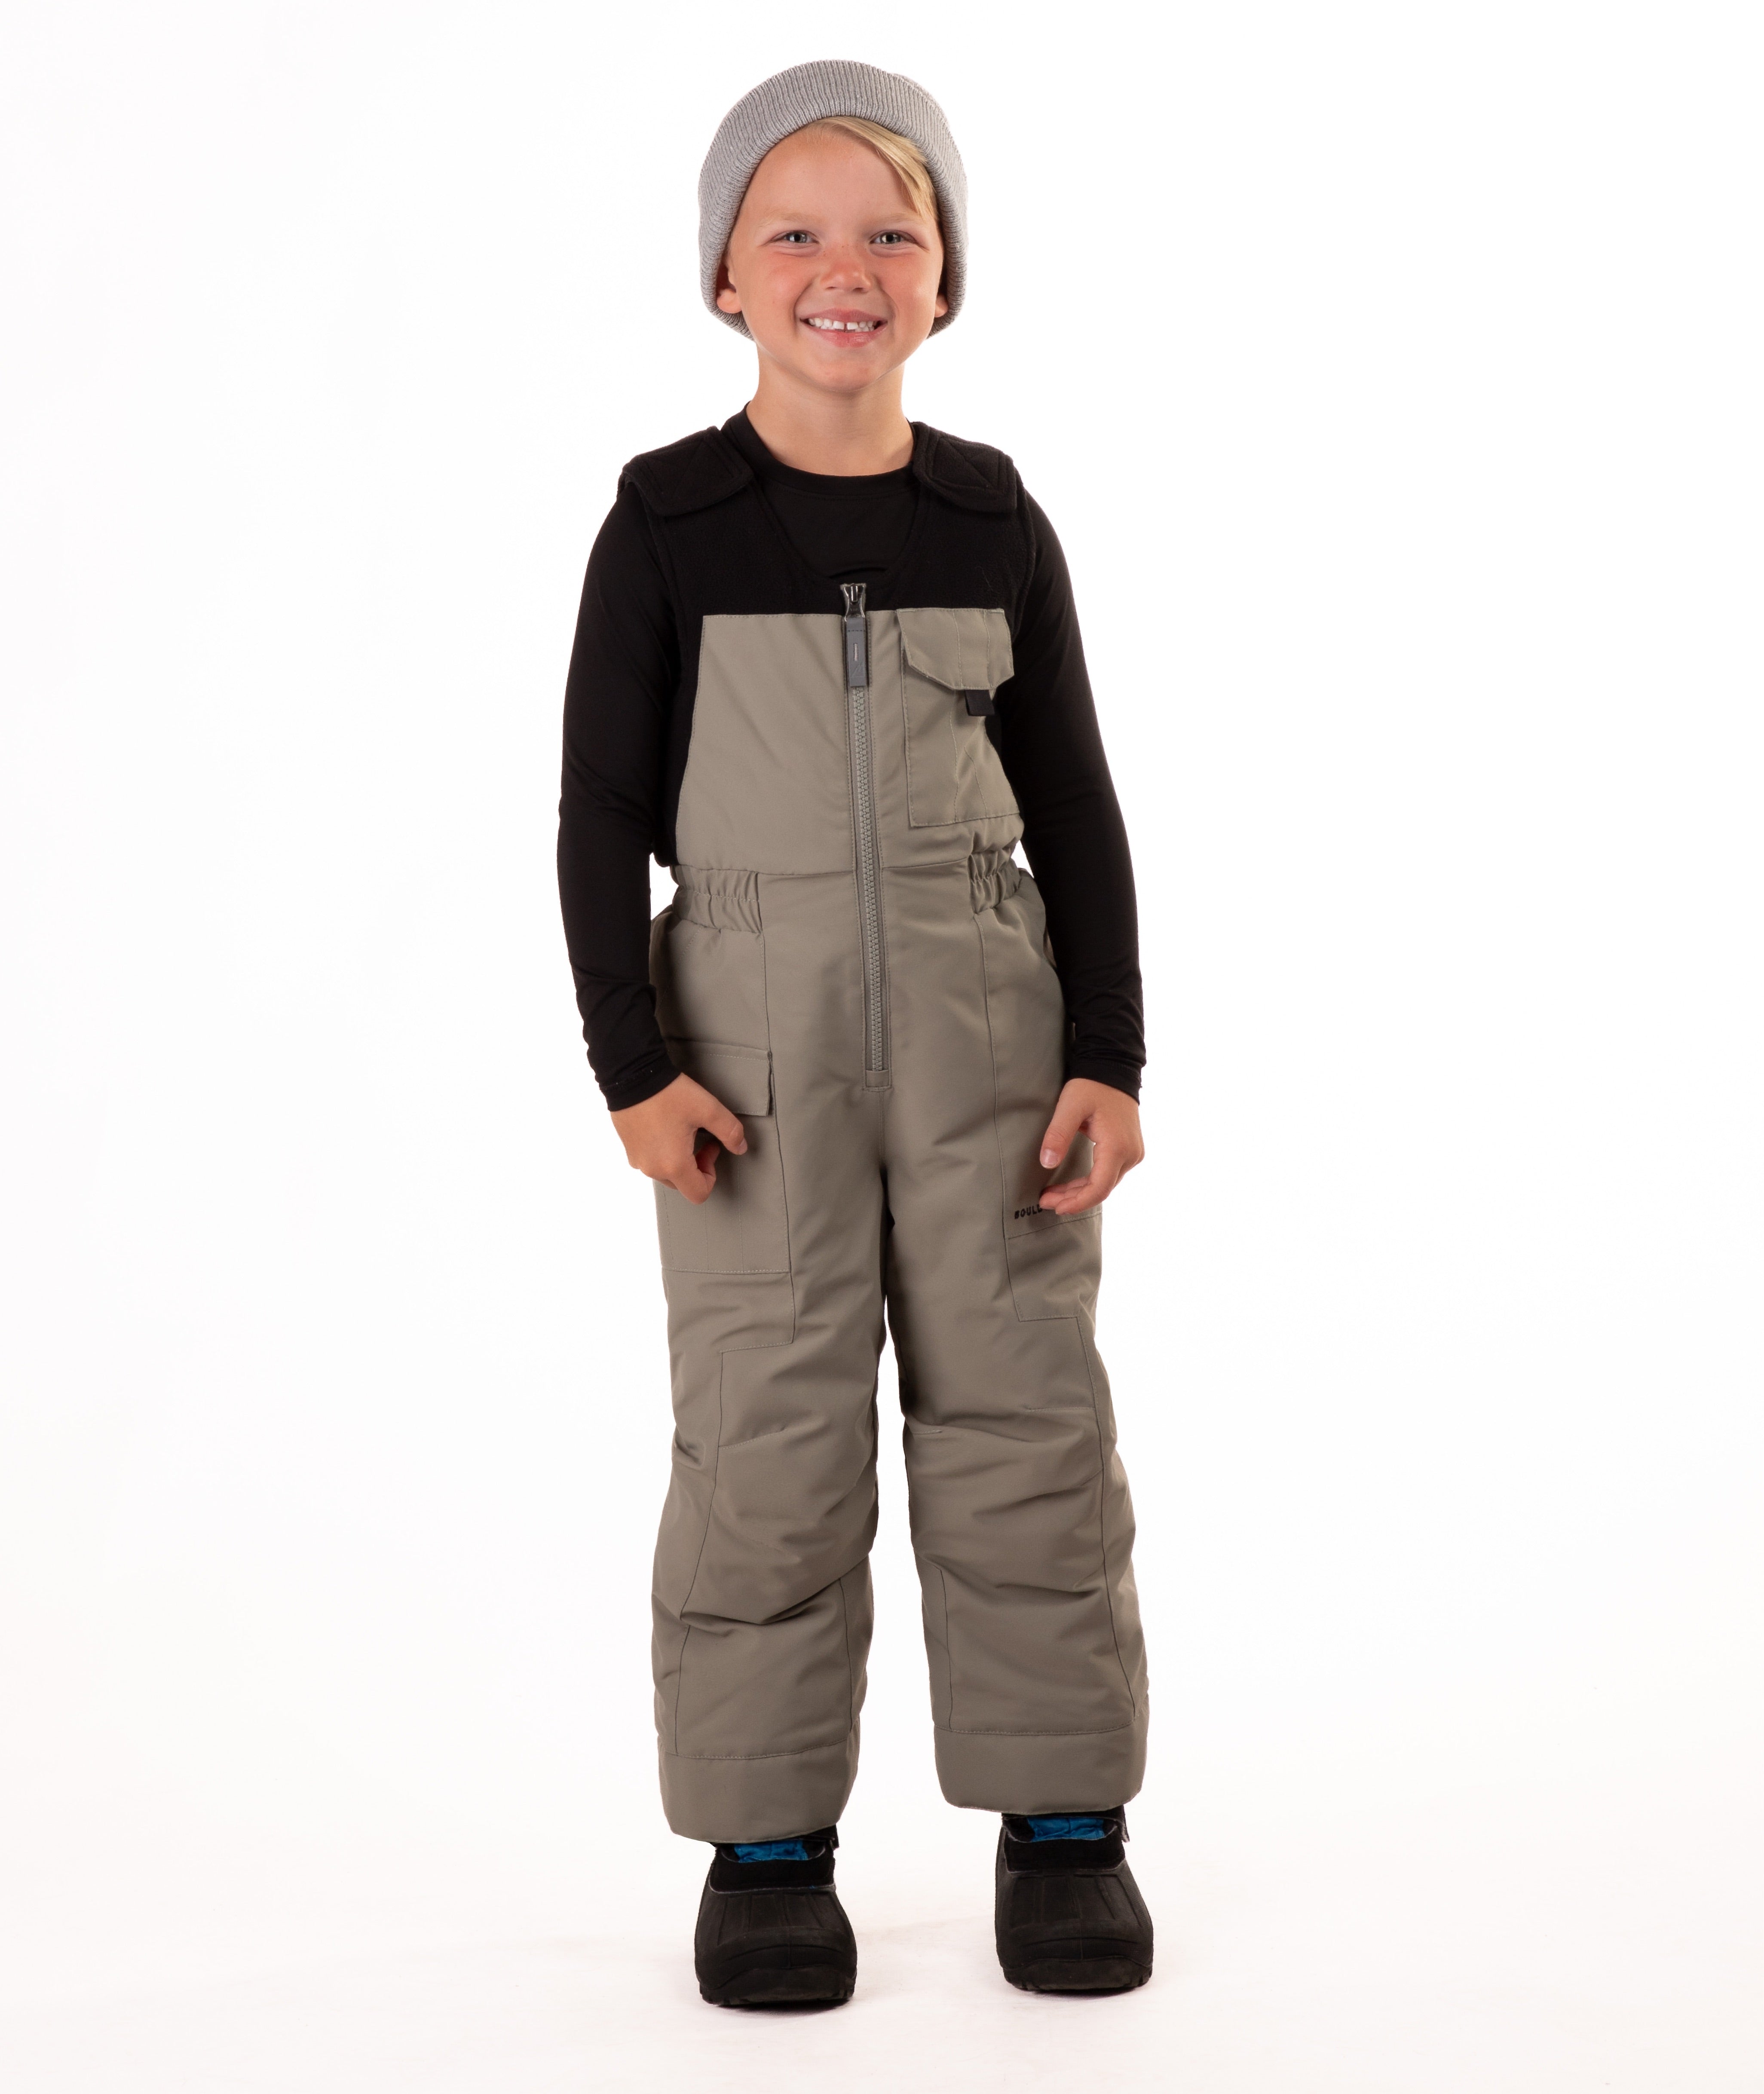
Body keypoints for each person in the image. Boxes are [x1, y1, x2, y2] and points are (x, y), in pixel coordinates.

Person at [557, 59, 1152, 2006]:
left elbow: (1074, 804)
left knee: (1027, 1423)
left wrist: (1110, 1053)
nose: (847, 268)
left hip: (994, 1051)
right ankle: (765, 1849)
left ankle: (1064, 1829)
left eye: (893, 232)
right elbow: (597, 813)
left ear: (945, 277)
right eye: (795, 230)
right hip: (746, 1065)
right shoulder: (666, 522)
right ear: (725, 276)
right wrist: (633, 1066)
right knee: (768, 1436)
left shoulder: (993, 517)